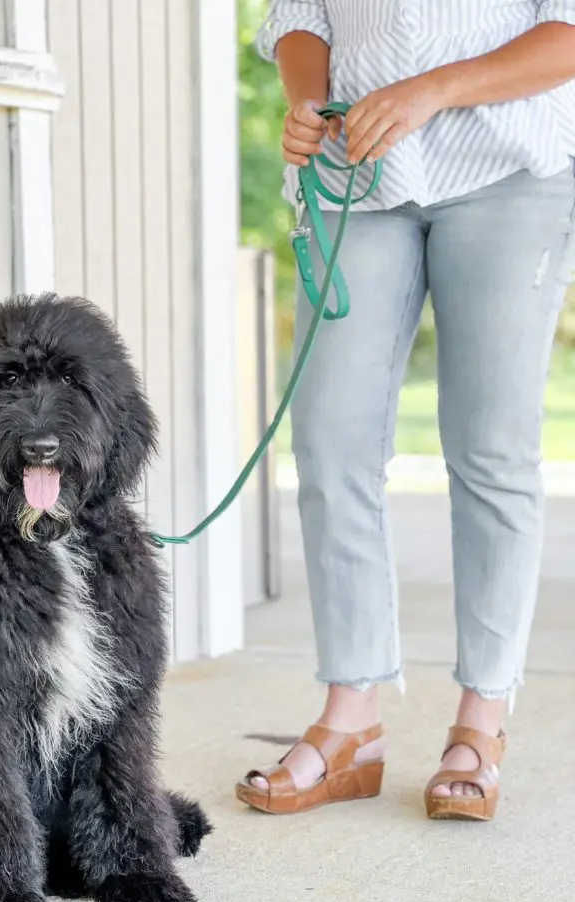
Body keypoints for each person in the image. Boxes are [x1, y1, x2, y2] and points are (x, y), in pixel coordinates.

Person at [236, 0, 575, 821]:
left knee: (491, 450)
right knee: (330, 442)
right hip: (357, 171)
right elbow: (300, 14)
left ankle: (480, 722)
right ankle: (353, 720)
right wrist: (308, 103)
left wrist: (431, 90)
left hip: (506, 169)